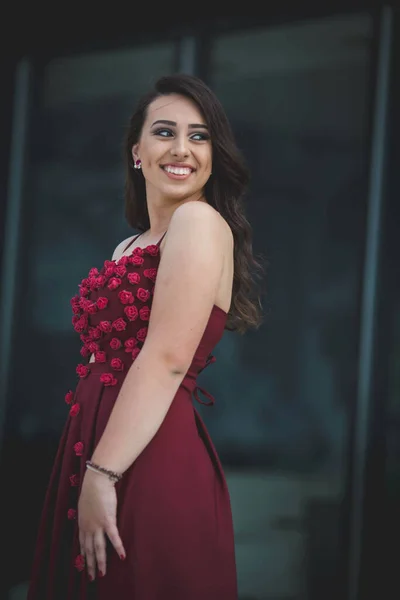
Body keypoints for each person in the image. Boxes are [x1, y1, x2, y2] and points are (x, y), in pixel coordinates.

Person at [27, 73, 263, 600]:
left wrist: (101, 474)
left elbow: (168, 359)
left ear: (213, 155)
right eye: (164, 132)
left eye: (199, 136)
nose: (182, 149)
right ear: (137, 151)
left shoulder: (199, 223)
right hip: (96, 448)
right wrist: (89, 468)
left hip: (145, 458)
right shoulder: (128, 246)